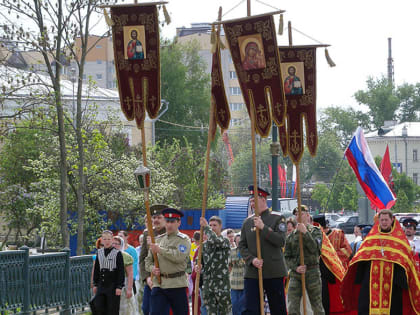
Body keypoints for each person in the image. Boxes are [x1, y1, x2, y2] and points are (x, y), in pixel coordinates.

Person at [341, 209, 420, 314]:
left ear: (392, 220)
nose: (384, 222)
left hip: (393, 284)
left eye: (386, 220)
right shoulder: (371, 238)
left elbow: (406, 262)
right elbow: (360, 258)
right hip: (370, 283)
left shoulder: (399, 239)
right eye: (382, 220)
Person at [238, 185, 288, 314]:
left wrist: (263, 227)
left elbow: (281, 241)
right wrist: (252, 259)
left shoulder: (277, 218)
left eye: (255, 200)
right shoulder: (247, 222)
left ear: (263, 199)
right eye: (251, 201)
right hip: (253, 272)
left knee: (278, 308)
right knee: (250, 309)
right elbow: (242, 246)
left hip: (273, 271)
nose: (252, 204)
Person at [145, 208, 191, 315]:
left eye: (172, 222)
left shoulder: (183, 239)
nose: (169, 225)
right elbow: (148, 261)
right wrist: (152, 269)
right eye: (167, 221)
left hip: (177, 284)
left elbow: (178, 257)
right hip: (160, 284)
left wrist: (160, 250)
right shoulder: (158, 240)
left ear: (179, 222)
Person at [285, 205, 324, 315]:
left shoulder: (315, 231)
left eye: (301, 214)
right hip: (296, 274)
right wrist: (296, 267)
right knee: (292, 305)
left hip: (312, 272)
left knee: (316, 306)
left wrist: (305, 233)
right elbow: (287, 257)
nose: (298, 217)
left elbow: (315, 250)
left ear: (307, 215)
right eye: (296, 214)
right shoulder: (291, 236)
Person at [198, 216, 231, 314]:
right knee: (210, 312)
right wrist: (198, 266)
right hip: (208, 284)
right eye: (210, 225)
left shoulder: (225, 241)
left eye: (214, 225)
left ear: (220, 226)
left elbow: (215, 241)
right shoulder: (204, 245)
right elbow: (200, 261)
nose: (212, 227)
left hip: (221, 285)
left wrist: (206, 227)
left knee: (225, 312)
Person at [139, 205, 169, 315]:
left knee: (162, 310)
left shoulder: (171, 233)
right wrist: (147, 278)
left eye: (159, 217)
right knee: (146, 309)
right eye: (154, 217)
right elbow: (142, 259)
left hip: (166, 280)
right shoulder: (148, 233)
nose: (156, 220)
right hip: (151, 279)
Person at [90, 230, 125, 315]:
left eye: (109, 239)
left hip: (113, 284)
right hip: (101, 284)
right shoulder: (99, 252)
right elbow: (97, 269)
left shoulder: (117, 253)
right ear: (102, 240)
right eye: (105, 239)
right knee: (96, 304)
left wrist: (119, 286)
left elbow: (121, 271)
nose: (107, 241)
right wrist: (95, 284)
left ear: (112, 239)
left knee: (112, 309)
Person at [112, 236, 138, 315]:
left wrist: (129, 289)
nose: (114, 245)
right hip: (111, 285)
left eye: (117, 244)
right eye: (113, 243)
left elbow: (130, 273)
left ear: (121, 245)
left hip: (124, 284)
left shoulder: (125, 256)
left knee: (125, 309)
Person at [229, 234, 246, 315]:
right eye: (237, 241)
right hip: (234, 284)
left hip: (245, 283)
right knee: (234, 306)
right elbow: (229, 266)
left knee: (243, 307)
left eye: (240, 241)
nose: (239, 243)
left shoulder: (247, 251)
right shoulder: (231, 251)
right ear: (235, 241)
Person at [119, 230, 139, 295]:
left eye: (121, 236)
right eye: (118, 236)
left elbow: (135, 264)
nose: (119, 238)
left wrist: (132, 278)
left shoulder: (132, 250)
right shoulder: (115, 249)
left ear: (126, 237)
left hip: (129, 277)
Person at [135, 234, 144, 314]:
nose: (142, 243)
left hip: (148, 276)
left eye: (143, 241)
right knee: (139, 297)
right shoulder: (136, 250)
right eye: (140, 241)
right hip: (138, 276)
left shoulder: (150, 249)